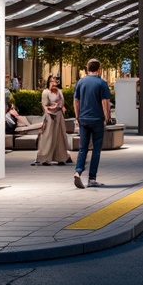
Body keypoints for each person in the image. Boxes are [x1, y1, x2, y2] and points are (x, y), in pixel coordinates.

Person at [73, 58, 112, 189]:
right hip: (96, 119)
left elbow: (76, 100)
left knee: (83, 148)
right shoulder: (102, 83)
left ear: (87, 68)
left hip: (83, 119)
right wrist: (107, 117)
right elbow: (105, 101)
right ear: (99, 69)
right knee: (96, 149)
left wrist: (77, 115)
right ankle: (92, 178)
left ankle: (78, 171)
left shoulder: (81, 82)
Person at [35, 76, 72, 166]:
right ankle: (45, 158)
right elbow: (45, 105)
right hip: (50, 116)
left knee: (60, 136)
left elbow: (61, 103)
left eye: (56, 81)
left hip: (59, 115)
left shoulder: (59, 92)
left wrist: (57, 106)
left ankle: (61, 157)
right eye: (52, 81)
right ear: (49, 82)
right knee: (48, 136)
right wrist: (52, 109)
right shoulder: (45, 92)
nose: (54, 83)